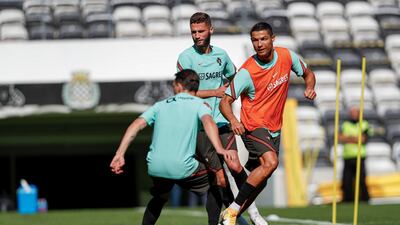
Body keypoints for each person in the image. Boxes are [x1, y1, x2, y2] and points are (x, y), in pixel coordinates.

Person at [219, 22, 317, 224]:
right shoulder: (247, 72)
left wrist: (310, 87)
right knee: (271, 163)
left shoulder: (286, 56)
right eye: (255, 40)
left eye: (263, 39)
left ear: (273, 39)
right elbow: (224, 102)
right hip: (253, 126)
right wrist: (233, 120)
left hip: (274, 128)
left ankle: (229, 216)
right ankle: (232, 212)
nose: (259, 44)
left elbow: (309, 74)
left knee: (260, 179)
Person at [110, 69, 236, 225]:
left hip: (156, 166)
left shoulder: (160, 105)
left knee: (160, 197)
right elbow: (209, 122)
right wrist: (219, 148)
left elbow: (136, 124)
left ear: (178, 85)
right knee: (217, 179)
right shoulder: (200, 104)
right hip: (182, 167)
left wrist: (120, 153)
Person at [177, 12, 268, 225]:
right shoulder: (186, 57)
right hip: (200, 126)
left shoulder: (221, 55)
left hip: (222, 122)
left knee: (236, 167)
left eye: (201, 31)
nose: (197, 36)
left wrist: (234, 96)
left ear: (211, 30)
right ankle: (223, 220)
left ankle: (253, 214)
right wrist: (215, 92)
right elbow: (185, 93)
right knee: (217, 179)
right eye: (193, 32)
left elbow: (234, 78)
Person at [339, 106, 370, 202]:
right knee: (346, 180)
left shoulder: (364, 124)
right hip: (347, 156)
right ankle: (347, 199)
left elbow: (364, 139)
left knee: (361, 179)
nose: (354, 114)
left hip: (359, 156)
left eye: (356, 112)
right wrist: (356, 138)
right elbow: (339, 138)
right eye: (352, 112)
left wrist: (348, 138)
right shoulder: (345, 124)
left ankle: (364, 199)